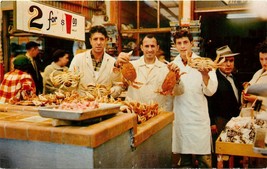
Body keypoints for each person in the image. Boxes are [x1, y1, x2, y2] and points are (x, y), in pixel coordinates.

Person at [171, 29, 218, 168]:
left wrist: (205, 75)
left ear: (192, 43)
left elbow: (211, 92)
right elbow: (170, 92)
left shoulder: (204, 63)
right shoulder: (172, 66)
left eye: (185, 42)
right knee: (185, 162)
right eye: (179, 43)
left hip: (198, 119)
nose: (183, 46)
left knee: (204, 161)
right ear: (175, 46)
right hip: (181, 119)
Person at [116, 34, 184, 112]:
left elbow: (179, 92)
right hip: (133, 113)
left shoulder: (166, 69)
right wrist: (117, 64)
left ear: (157, 48)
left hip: (157, 115)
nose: (150, 49)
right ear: (141, 47)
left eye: (152, 46)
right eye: (147, 46)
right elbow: (118, 83)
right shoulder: (131, 66)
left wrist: (177, 77)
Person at [206, 45, 242, 167]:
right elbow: (209, 101)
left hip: (234, 121)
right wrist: (212, 123)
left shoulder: (234, 77)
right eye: (224, 61)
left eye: (231, 61)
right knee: (222, 155)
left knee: (235, 152)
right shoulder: (214, 78)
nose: (228, 64)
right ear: (218, 63)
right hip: (220, 121)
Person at [69, 25, 124, 98]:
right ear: (90, 41)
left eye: (101, 39)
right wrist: (68, 84)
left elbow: (118, 85)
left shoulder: (112, 62)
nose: (98, 42)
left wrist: (110, 93)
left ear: (106, 40)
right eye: (95, 39)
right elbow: (70, 83)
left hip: (104, 104)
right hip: (82, 104)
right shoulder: (78, 59)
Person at [243, 40, 267, 110]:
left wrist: (256, 99)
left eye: (266, 59)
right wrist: (245, 93)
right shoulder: (258, 72)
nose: (264, 62)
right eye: (261, 59)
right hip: (251, 114)